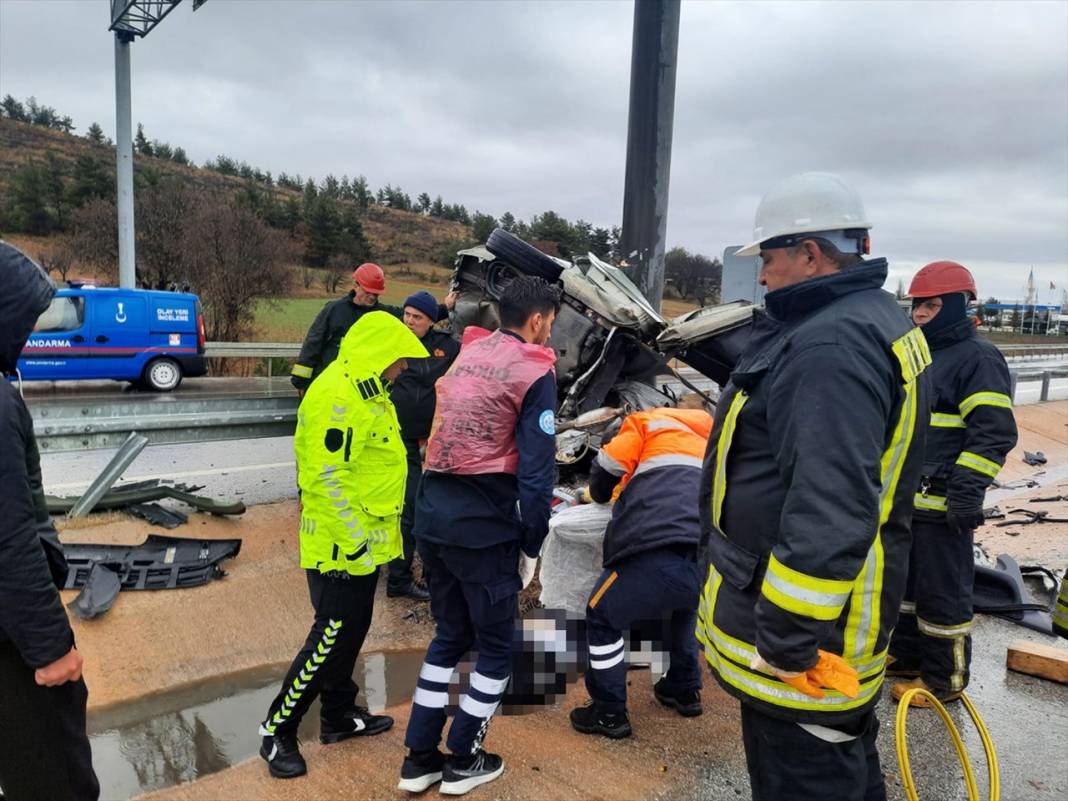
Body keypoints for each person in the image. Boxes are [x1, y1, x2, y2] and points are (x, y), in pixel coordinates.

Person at [694, 172, 931, 801]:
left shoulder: (828, 343)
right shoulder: (875, 318)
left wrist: (790, 643)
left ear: (810, 252)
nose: (763, 276)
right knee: (841, 770)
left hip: (810, 641)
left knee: (805, 777)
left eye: (769, 259)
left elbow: (830, 507)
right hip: (845, 608)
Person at [398, 275, 559, 796]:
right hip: (484, 528)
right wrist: (532, 543)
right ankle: (464, 756)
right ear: (537, 320)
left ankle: (418, 758)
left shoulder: (467, 351)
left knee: (449, 635)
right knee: (496, 647)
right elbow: (537, 473)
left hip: (433, 517)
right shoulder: (535, 369)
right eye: (550, 324)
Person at [259, 310, 428, 779]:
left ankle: (339, 715)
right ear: (378, 354)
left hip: (362, 545)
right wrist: (355, 545)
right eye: (399, 360)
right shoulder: (338, 396)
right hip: (340, 547)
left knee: (351, 633)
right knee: (329, 637)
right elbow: (327, 478)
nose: (403, 368)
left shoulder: (369, 391)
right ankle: (277, 731)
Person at [889, 261, 1017, 707]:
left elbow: (994, 433)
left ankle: (945, 681)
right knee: (905, 588)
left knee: (943, 594)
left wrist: (965, 494)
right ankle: (906, 658)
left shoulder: (978, 358)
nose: (921, 312)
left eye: (932, 304)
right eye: (918, 304)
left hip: (945, 502)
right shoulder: (918, 355)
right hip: (909, 501)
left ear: (957, 305)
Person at [0, 241, 100, 801]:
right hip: (13, 638)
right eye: (26, 318)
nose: (30, 334)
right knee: (54, 776)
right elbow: (7, 537)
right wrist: (50, 649)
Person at [570, 407, 712, 740]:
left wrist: (600, 492)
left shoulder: (643, 423)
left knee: (601, 614)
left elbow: (608, 467)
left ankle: (608, 712)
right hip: (705, 556)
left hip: (654, 546)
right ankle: (684, 688)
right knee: (684, 609)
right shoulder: (708, 436)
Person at [386, 291, 460, 601]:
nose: (409, 321)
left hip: (434, 444)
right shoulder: (392, 342)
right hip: (397, 440)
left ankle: (432, 575)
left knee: (436, 510)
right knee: (408, 511)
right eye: (407, 315)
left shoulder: (446, 345)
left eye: (417, 317)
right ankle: (398, 580)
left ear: (431, 320)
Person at [290, 262, 452, 394]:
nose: (373, 297)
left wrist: (446, 307)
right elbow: (313, 342)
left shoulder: (382, 313)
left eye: (376, 294)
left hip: (361, 388)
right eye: (369, 292)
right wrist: (301, 383)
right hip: (330, 382)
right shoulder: (334, 310)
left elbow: (416, 316)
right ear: (356, 285)